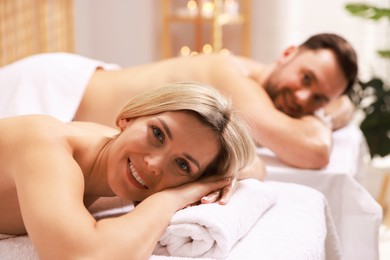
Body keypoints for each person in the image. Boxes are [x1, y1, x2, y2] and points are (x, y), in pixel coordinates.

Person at [0, 33, 358, 169]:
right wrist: (323, 115)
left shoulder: (256, 88)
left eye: (318, 98)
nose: (301, 97)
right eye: (305, 78)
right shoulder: (228, 73)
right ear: (288, 52)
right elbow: (311, 150)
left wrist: (332, 108)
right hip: (54, 91)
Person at [0, 82, 256, 259]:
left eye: (182, 164)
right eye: (157, 134)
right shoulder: (45, 146)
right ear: (128, 117)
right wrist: (172, 198)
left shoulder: (113, 156)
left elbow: (255, 167)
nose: (154, 165)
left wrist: (219, 179)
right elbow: (82, 256)